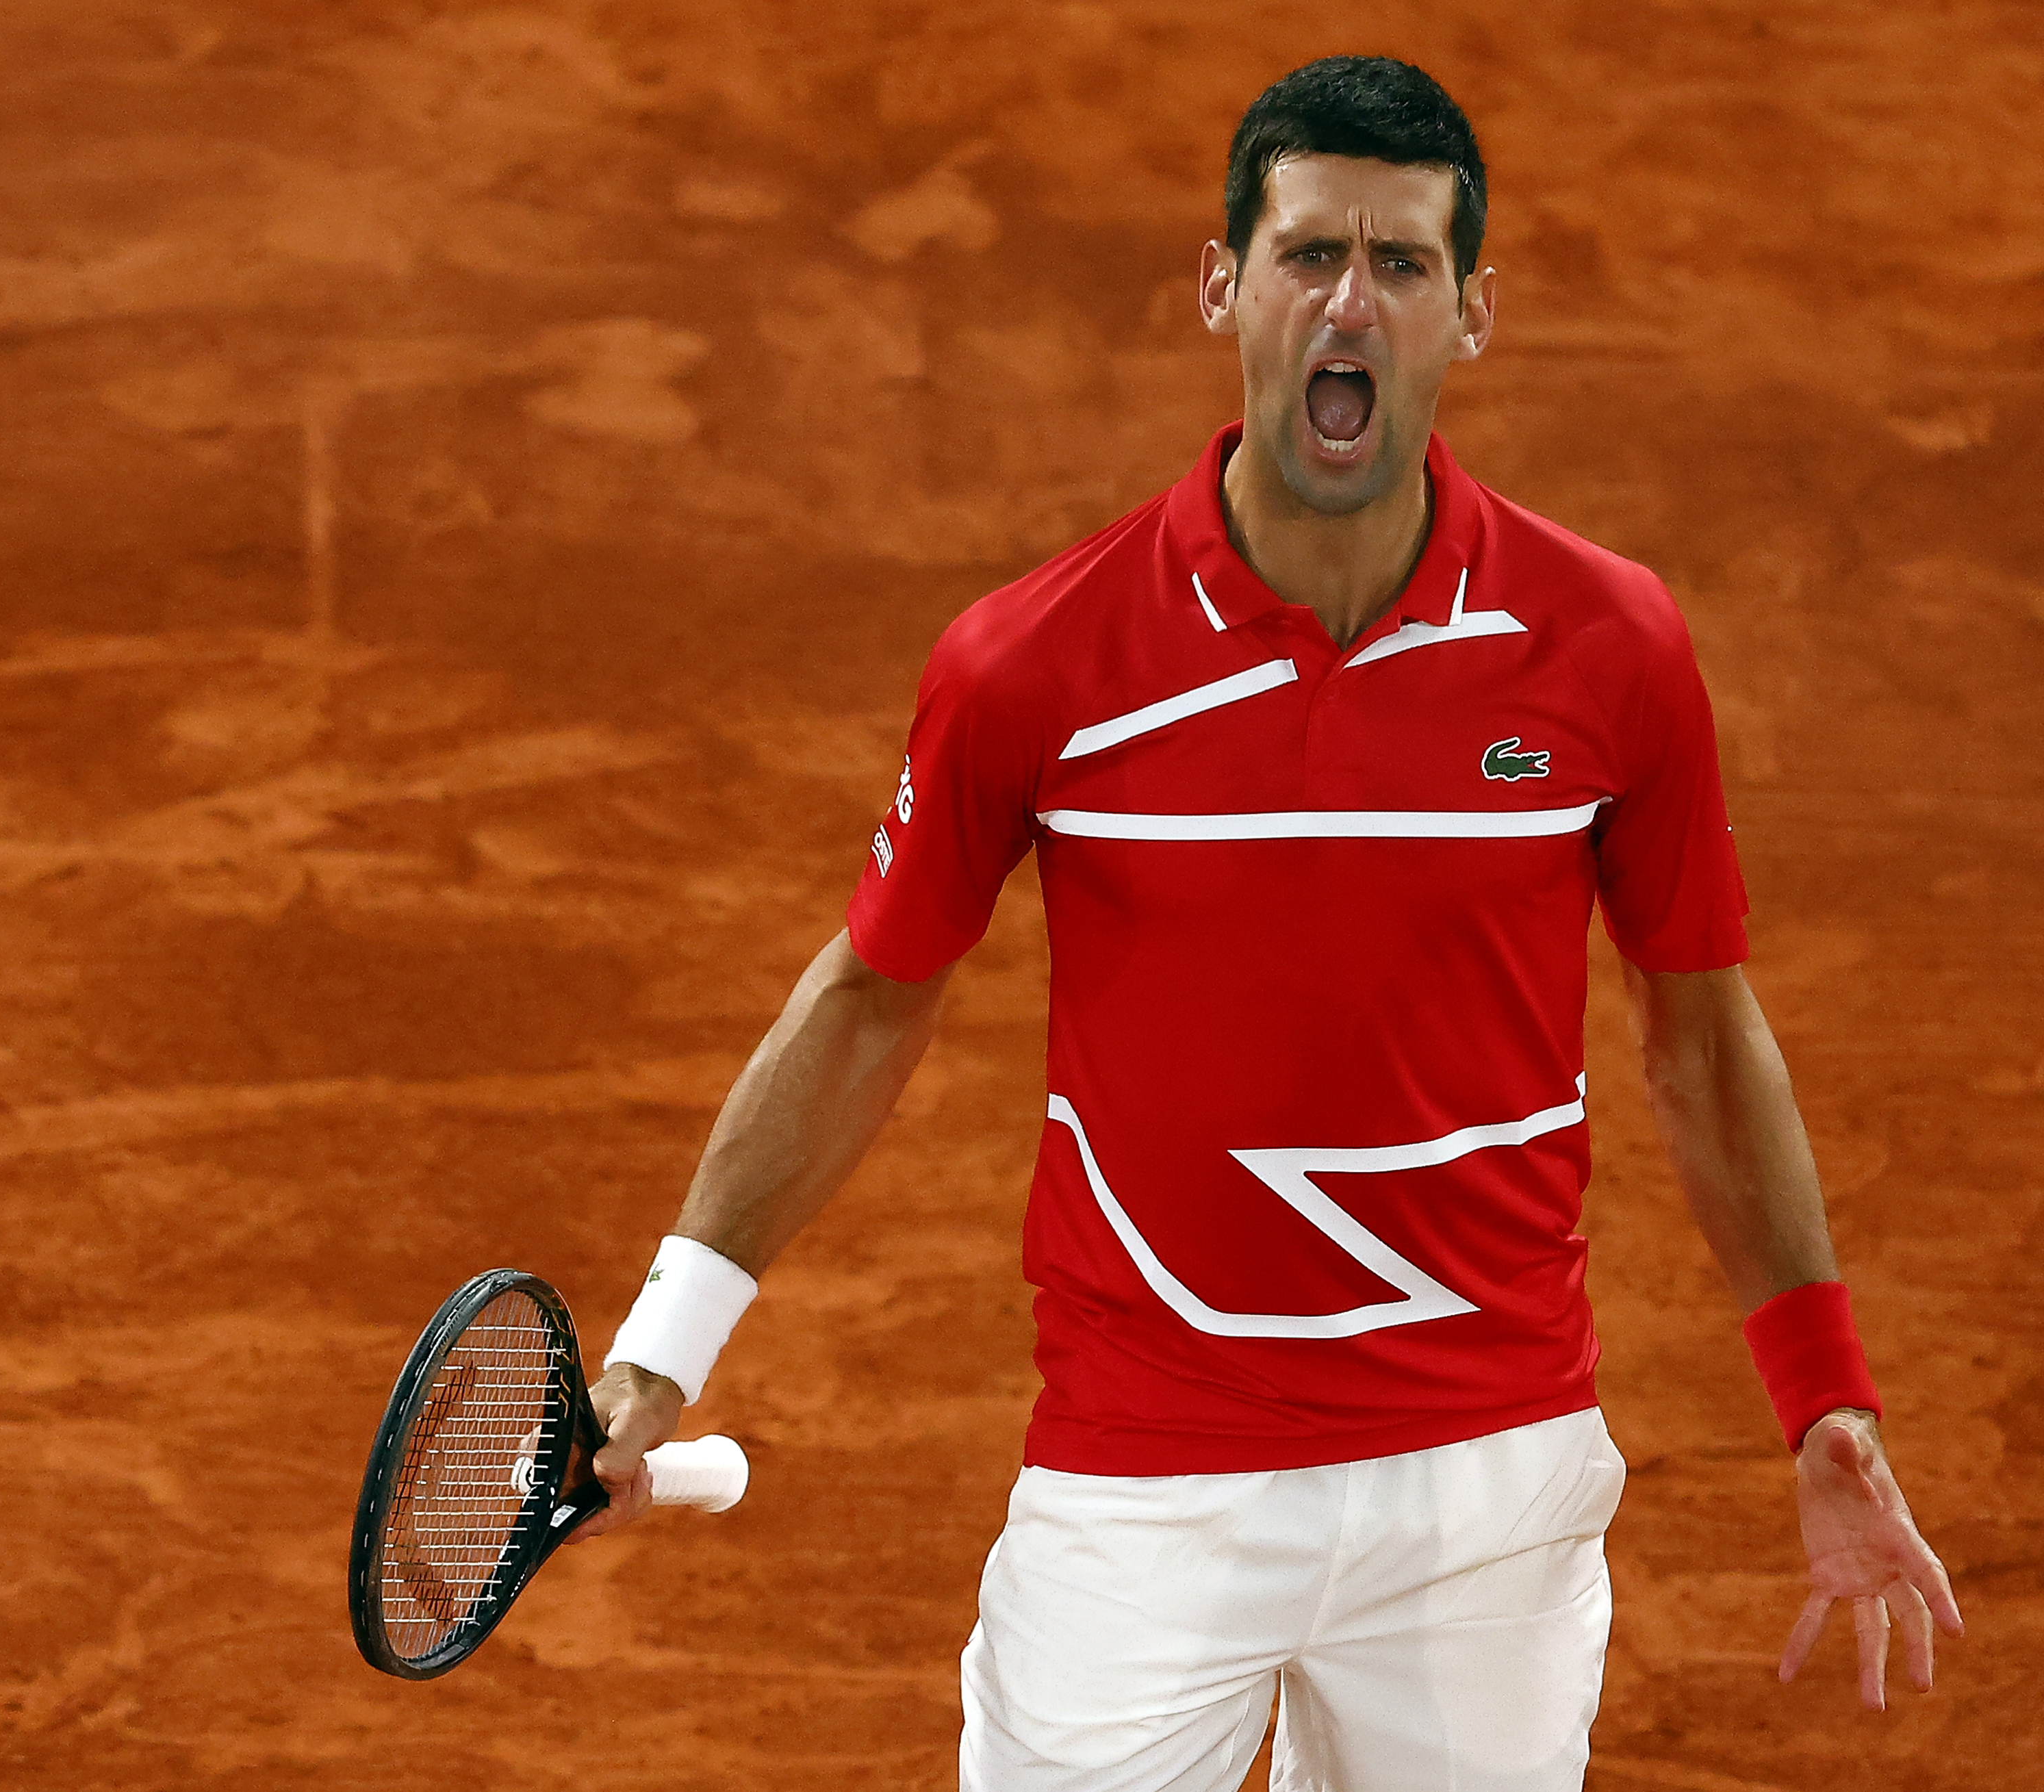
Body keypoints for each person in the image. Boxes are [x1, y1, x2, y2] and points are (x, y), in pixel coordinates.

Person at [576, 54, 1961, 1792]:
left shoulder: (1607, 648)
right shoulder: (1037, 665)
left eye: (1398, 263)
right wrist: (656, 1358)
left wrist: (1821, 1399)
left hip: (1487, 1480)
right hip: (1143, 1479)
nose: (1350, 302)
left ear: (1472, 313)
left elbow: (1699, 1029)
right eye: (1308, 254)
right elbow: (870, 997)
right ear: (1223, 285)